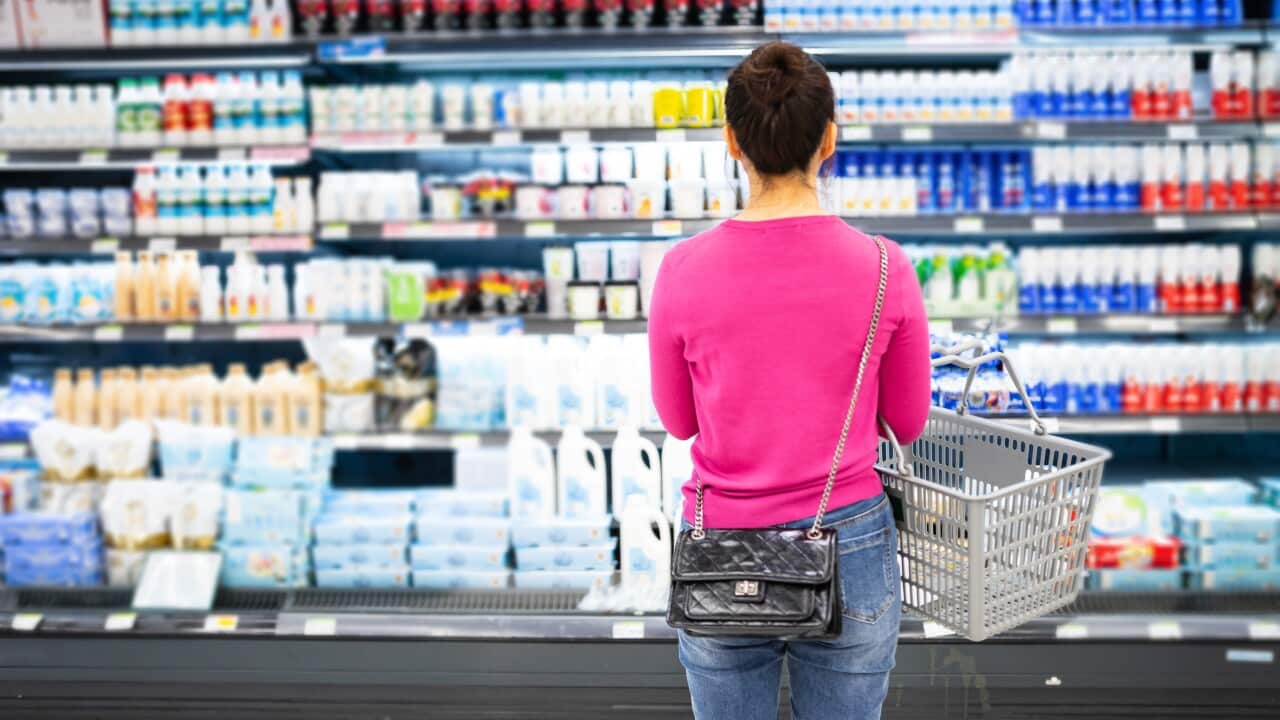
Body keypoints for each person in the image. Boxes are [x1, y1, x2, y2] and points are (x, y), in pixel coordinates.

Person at [646, 41, 932, 720]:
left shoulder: (682, 269)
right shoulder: (886, 268)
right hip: (848, 543)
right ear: (829, 140)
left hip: (721, 547)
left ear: (731, 143)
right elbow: (909, 421)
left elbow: (679, 421)